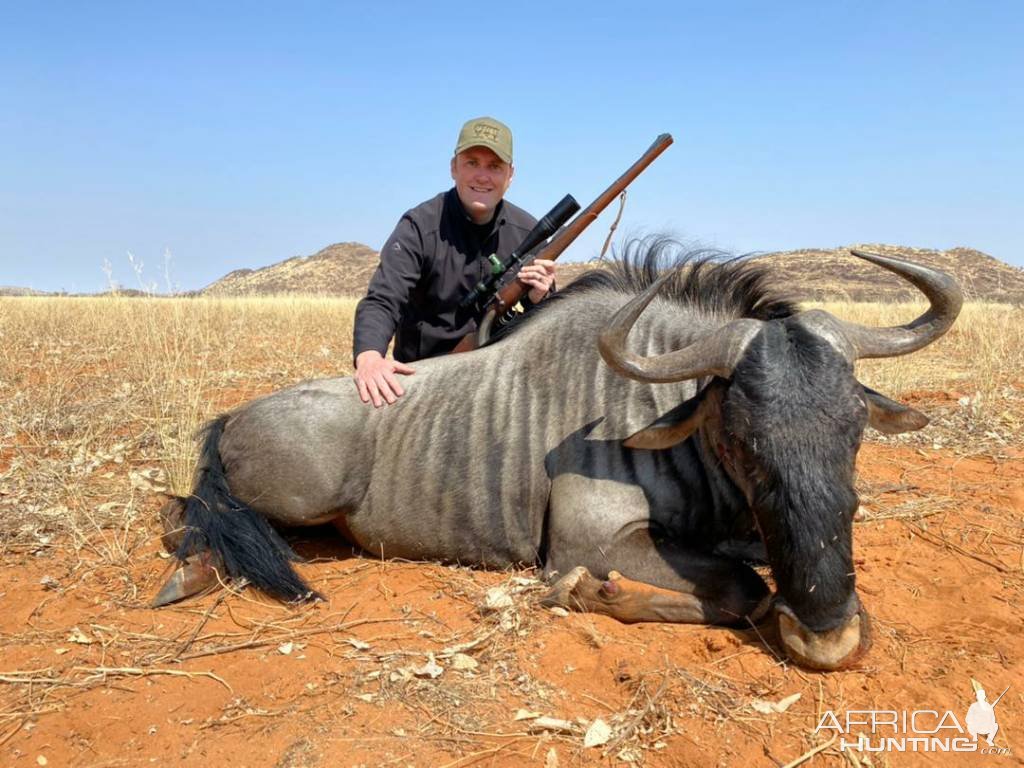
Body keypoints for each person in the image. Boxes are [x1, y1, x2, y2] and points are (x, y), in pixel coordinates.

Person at [353, 116, 557, 407]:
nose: (482, 176)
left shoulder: (530, 232)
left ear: (510, 175)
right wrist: (370, 355)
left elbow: (547, 327)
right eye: (472, 163)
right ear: (453, 168)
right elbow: (384, 299)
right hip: (423, 383)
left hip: (499, 385)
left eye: (494, 167)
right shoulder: (419, 226)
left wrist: (541, 298)